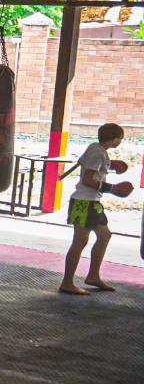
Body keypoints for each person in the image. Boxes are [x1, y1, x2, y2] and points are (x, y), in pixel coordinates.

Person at [60, 123, 125, 295]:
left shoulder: (95, 147)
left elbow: (85, 163)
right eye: (120, 139)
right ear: (114, 139)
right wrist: (112, 188)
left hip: (92, 202)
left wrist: (110, 164)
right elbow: (88, 180)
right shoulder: (98, 153)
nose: (120, 141)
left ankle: (93, 276)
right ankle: (67, 283)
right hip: (83, 202)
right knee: (80, 241)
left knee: (104, 235)